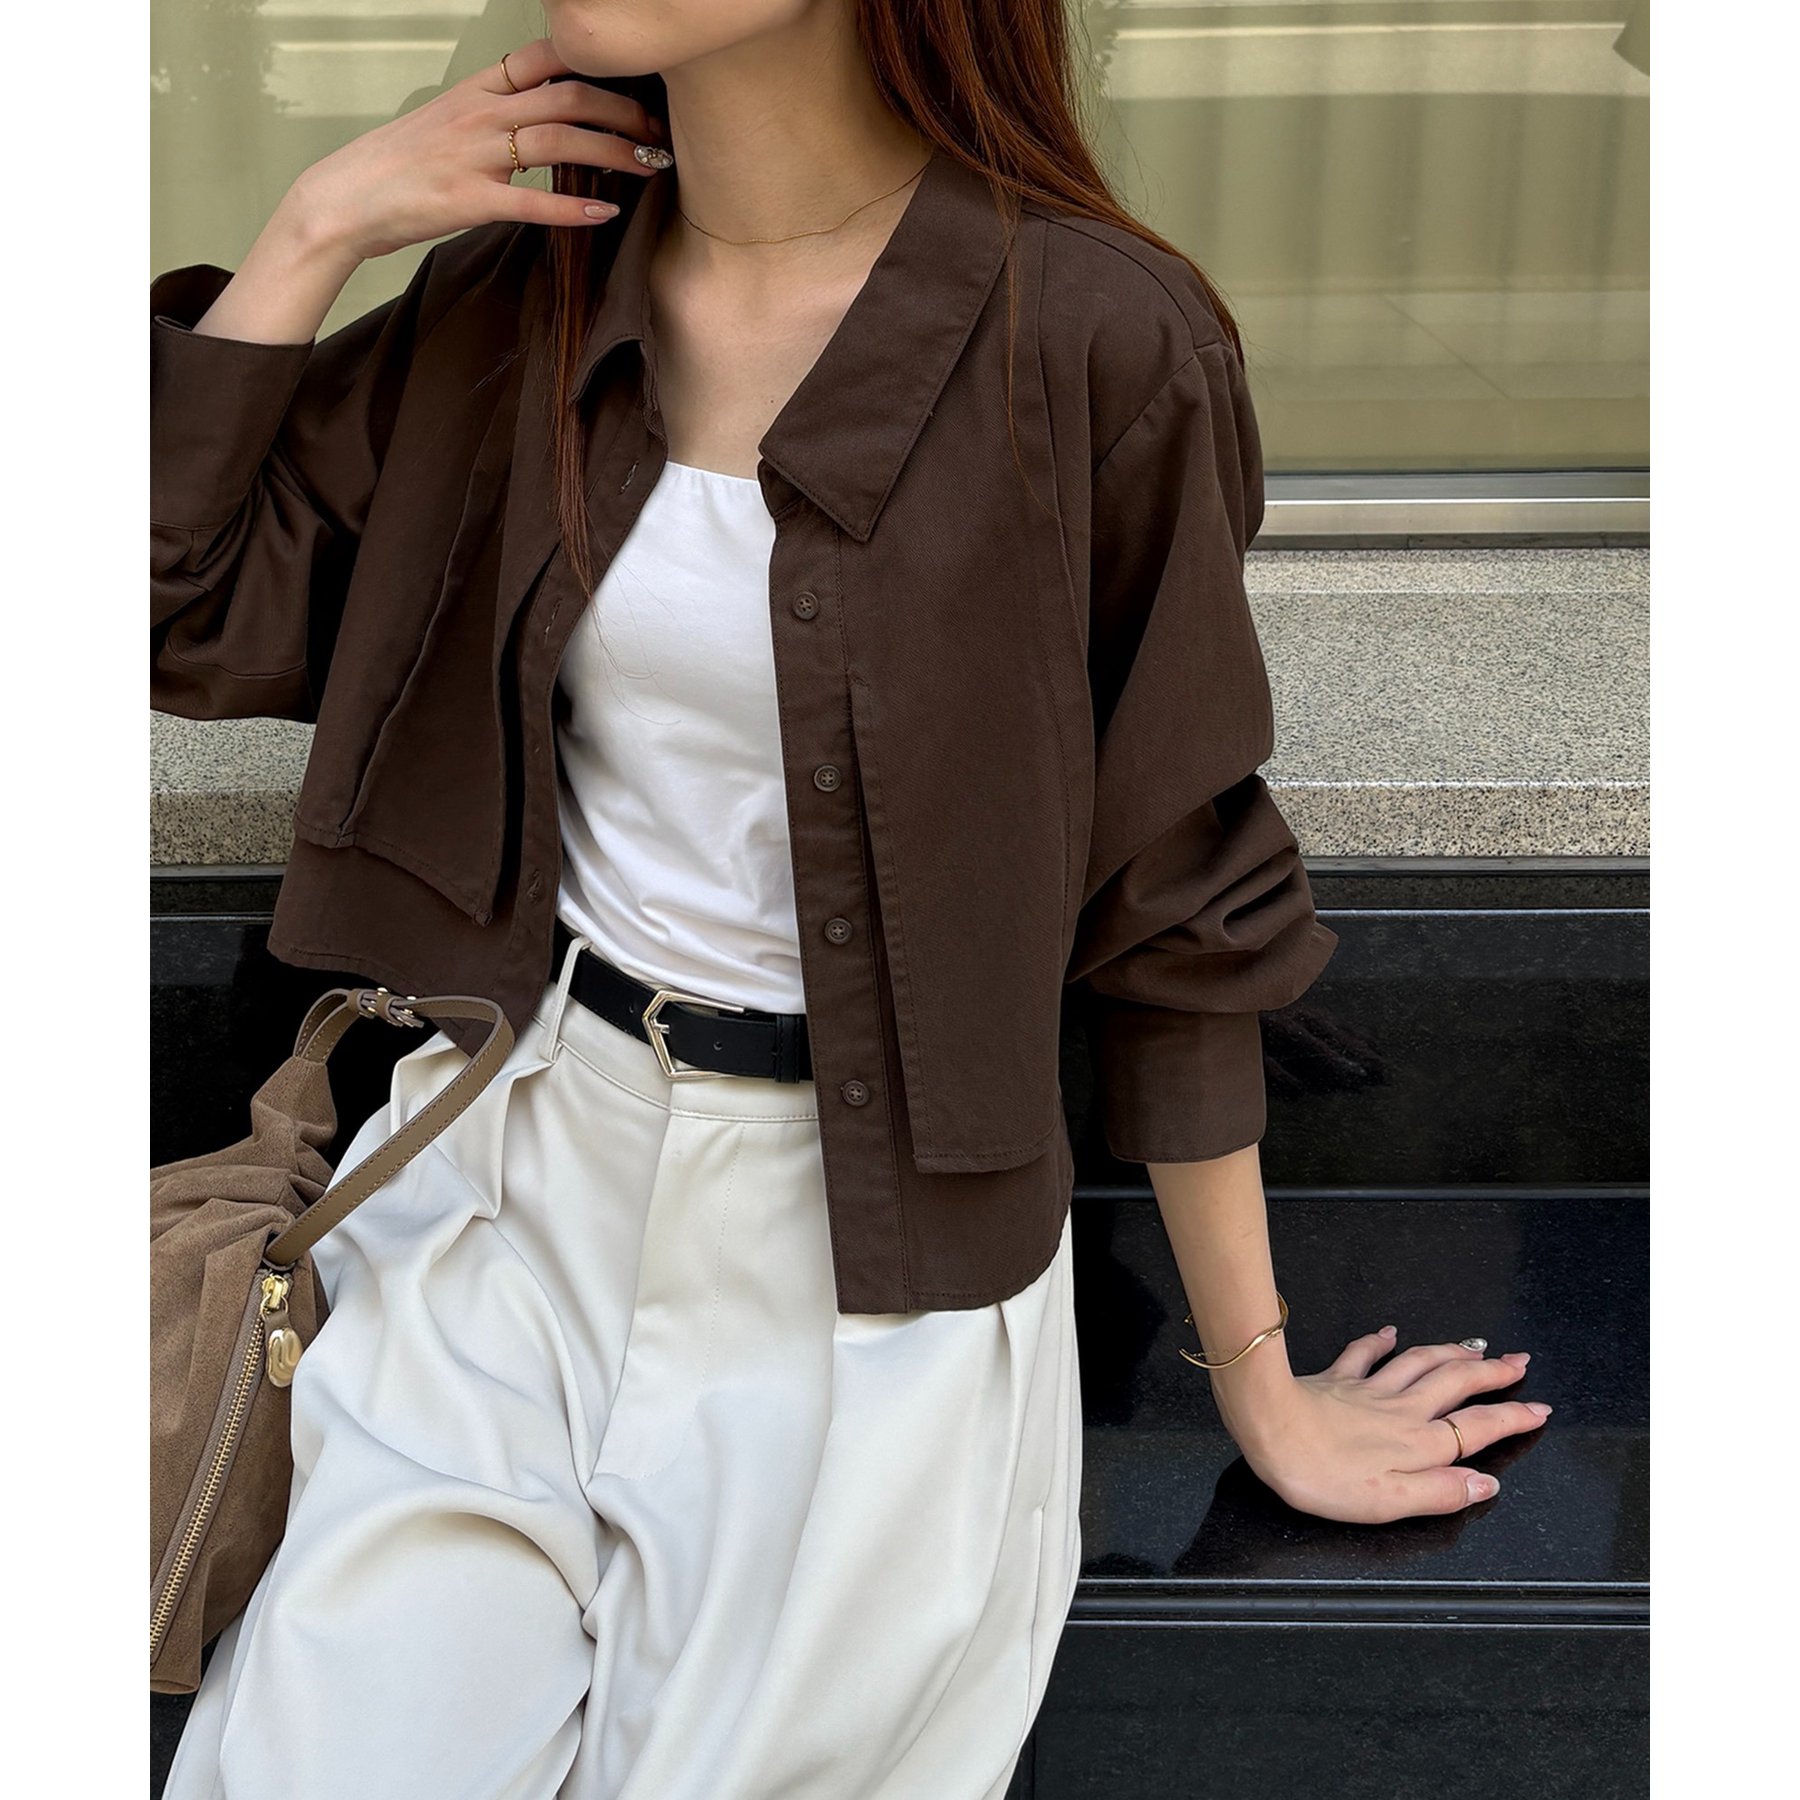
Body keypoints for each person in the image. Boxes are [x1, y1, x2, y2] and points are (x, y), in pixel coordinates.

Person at [150, 2, 1550, 1794]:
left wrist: (1260, 1389)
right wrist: (316, 227)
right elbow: (180, 606)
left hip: (872, 1274)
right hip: (509, 1185)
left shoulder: (1098, 337)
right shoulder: (529, 284)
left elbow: (1176, 907)